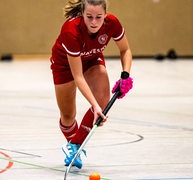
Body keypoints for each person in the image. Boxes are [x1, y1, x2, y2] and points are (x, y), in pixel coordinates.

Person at [50, 0, 133, 169]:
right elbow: (78, 76)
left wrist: (125, 75)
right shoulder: (71, 31)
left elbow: (125, 50)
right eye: (89, 17)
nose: (94, 22)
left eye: (98, 17)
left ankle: (74, 147)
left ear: (105, 15)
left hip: (92, 59)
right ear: (82, 13)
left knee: (103, 99)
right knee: (68, 116)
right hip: (64, 64)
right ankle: (73, 144)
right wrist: (94, 106)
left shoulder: (112, 23)